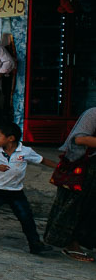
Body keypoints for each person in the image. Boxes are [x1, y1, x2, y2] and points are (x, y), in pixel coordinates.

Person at [0, 121, 53, 255]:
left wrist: (59, 167)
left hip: (15, 191)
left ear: (10, 138)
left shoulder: (25, 151)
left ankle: (35, 244)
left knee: (26, 217)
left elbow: (42, 160)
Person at [43, 106, 96, 261]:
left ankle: (81, 241)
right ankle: (69, 244)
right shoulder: (93, 113)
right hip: (85, 168)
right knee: (75, 207)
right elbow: (79, 139)